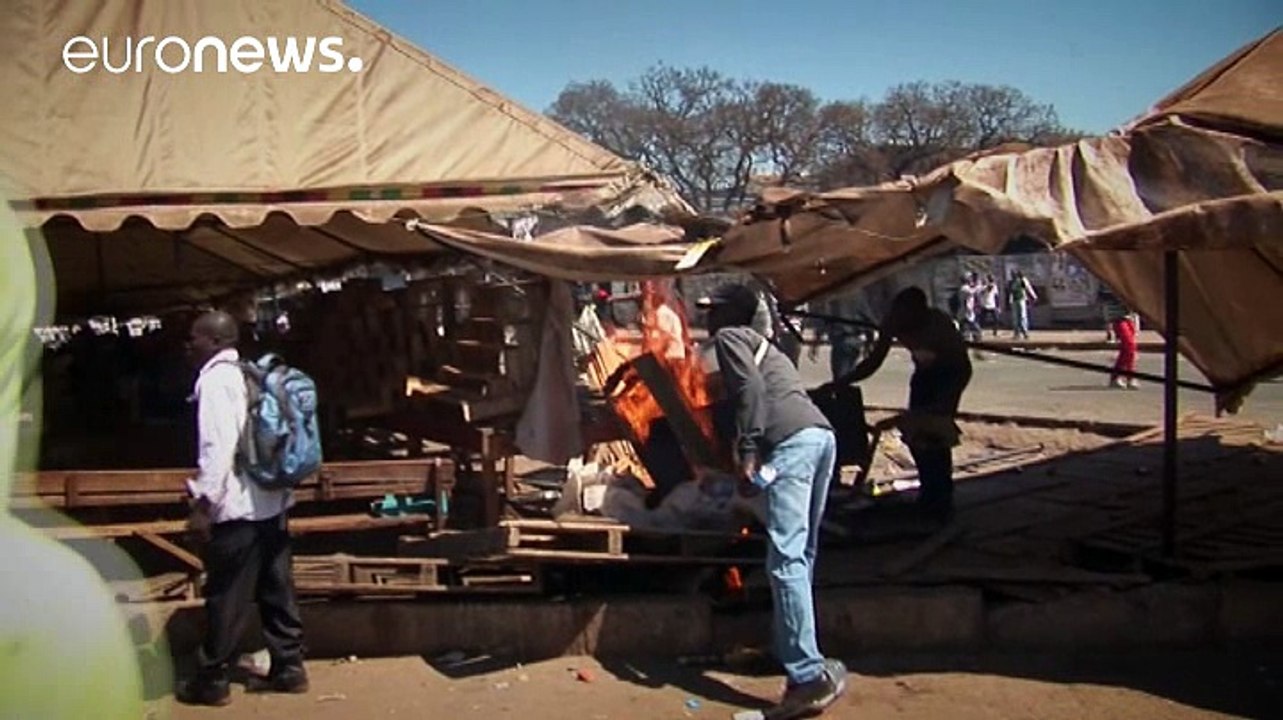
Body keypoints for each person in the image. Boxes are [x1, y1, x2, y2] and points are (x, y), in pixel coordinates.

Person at [698, 284, 848, 718]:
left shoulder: (730, 339)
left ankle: (807, 676)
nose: (706, 317)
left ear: (732, 314)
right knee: (801, 554)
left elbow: (750, 393)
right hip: (819, 439)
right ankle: (791, 650)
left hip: (792, 445)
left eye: (713, 309)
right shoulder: (768, 344)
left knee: (784, 559)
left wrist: (746, 451)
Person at [178, 311, 308, 706]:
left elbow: (216, 449)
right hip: (273, 501)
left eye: (194, 338)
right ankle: (289, 668)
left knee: (227, 595)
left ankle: (212, 678)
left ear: (215, 342)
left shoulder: (216, 382)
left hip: (237, 508)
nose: (188, 345)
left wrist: (204, 503)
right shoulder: (251, 373)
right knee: (276, 589)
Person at [848, 287, 972, 525]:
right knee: (917, 437)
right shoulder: (893, 322)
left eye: (909, 314)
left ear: (921, 311)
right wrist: (842, 382)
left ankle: (941, 501)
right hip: (924, 375)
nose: (903, 319)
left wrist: (938, 409)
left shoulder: (940, 326)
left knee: (935, 436)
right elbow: (873, 361)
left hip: (950, 373)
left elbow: (959, 370)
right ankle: (928, 495)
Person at [1103, 292, 1140, 389]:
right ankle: (1130, 378)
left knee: (1127, 350)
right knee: (1130, 345)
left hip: (1129, 317)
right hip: (1117, 318)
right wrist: (1109, 326)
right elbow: (1106, 300)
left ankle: (1115, 378)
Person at [1006, 270, 1038, 340]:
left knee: (1022, 317)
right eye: (1012, 275)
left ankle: (1025, 332)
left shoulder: (1022, 280)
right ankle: (1017, 334)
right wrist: (1010, 301)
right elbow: (1010, 292)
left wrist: (1034, 296)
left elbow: (1028, 288)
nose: (1012, 276)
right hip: (1014, 301)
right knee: (1015, 318)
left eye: (1014, 274)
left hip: (1021, 300)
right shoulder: (1011, 282)